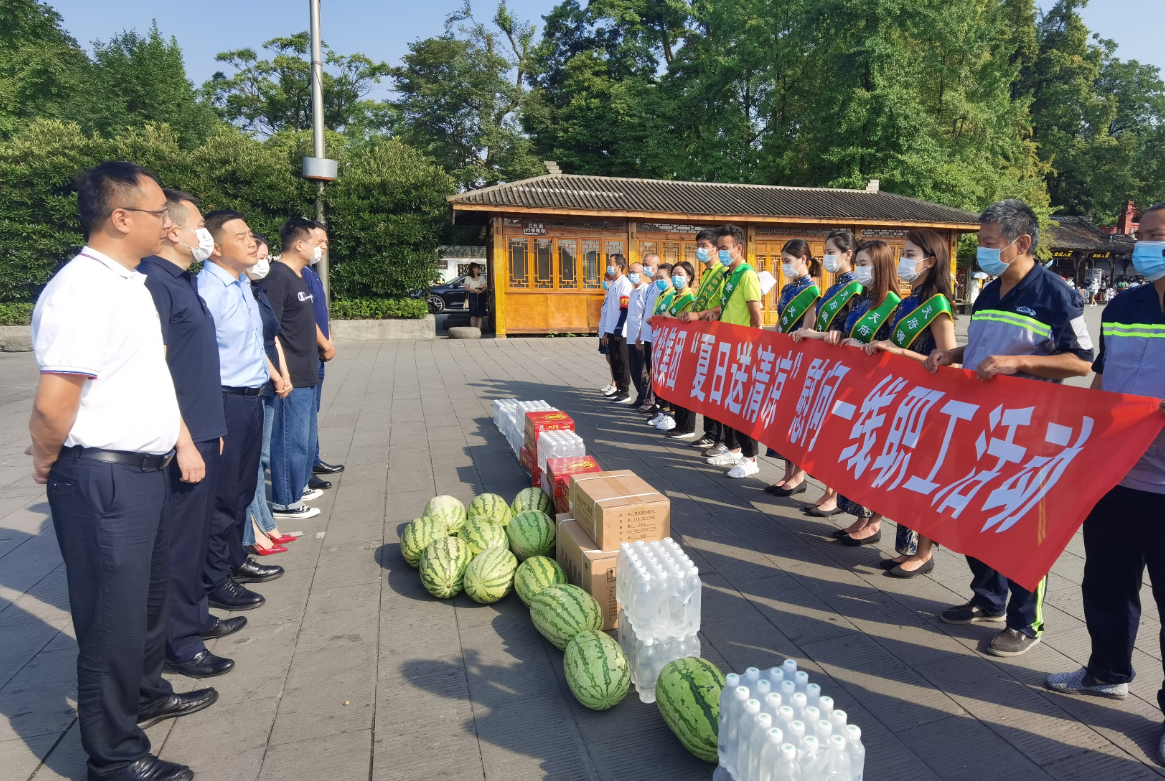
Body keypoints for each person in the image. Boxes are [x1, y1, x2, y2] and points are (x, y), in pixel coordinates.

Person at [29, 161, 213, 781]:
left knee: (146, 603)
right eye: (159, 213)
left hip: (145, 471)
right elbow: (54, 402)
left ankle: (146, 693)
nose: (169, 224)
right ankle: (113, 755)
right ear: (121, 218)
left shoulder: (130, 283)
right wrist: (48, 460)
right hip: (103, 476)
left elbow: (150, 378)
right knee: (111, 619)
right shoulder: (81, 290)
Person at [925, 198, 1093, 657]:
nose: (982, 250)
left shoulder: (1055, 294)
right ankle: (988, 598)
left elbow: (1081, 361)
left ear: (1022, 243)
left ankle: (1025, 621)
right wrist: (953, 355)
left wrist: (1019, 363)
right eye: (980, 242)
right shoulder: (988, 292)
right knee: (971, 513)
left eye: (989, 242)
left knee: (1019, 527)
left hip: (1026, 433)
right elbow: (985, 350)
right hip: (977, 425)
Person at [1044, 204, 1165, 755]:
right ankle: (1106, 671)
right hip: (1118, 477)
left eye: (1158, 236)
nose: (1146, 246)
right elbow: (1101, 383)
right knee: (1106, 585)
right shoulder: (1121, 306)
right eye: (1143, 235)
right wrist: (1084, 450)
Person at [140, 190, 241, 680]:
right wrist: (183, 439)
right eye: (199, 223)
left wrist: (211, 427)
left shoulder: (181, 281)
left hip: (203, 428)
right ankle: (179, 644)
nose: (205, 232)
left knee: (196, 536)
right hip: (180, 436)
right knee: (179, 544)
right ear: (173, 229)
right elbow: (154, 371)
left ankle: (195, 616)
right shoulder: (153, 283)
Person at [197, 211, 285, 614]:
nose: (253, 242)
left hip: (253, 397)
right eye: (242, 236)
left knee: (244, 487)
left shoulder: (242, 286)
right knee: (223, 492)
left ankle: (235, 558)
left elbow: (252, 344)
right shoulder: (208, 291)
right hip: (224, 400)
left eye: (252, 235)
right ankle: (215, 578)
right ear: (216, 247)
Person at [862, 229, 957, 578]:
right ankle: (907, 549)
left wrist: (901, 352)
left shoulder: (938, 306)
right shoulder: (908, 300)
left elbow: (950, 363)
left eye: (910, 254)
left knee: (922, 479)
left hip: (930, 405)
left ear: (929, 262)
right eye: (903, 253)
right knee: (903, 474)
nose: (903, 260)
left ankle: (924, 552)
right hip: (905, 401)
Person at [785, 229, 862, 515]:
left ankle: (834, 494)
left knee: (839, 430)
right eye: (826, 252)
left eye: (831, 252)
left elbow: (852, 329)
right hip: (828, 365)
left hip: (845, 366)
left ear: (848, 254)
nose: (827, 257)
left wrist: (827, 335)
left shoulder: (855, 288)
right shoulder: (832, 288)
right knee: (827, 429)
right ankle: (828, 490)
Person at [243, 234, 301, 553]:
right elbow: (252, 342)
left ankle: (267, 524)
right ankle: (255, 530)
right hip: (258, 381)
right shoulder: (238, 293)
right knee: (253, 461)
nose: (261, 262)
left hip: (272, 379)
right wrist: (276, 375)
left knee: (261, 458)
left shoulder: (258, 291)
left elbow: (272, 336)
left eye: (265, 256)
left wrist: (285, 373)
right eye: (258, 255)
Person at [266, 218, 326, 520]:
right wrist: (281, 374)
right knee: (290, 439)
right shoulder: (277, 278)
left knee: (304, 439)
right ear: (299, 244)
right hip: (291, 374)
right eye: (316, 243)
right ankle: (286, 501)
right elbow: (269, 330)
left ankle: (299, 487)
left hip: (307, 367)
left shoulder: (300, 275)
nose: (320, 249)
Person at [696, 224, 764, 478]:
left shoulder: (747, 275)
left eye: (725, 248)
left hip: (742, 350)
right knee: (728, 403)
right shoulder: (728, 275)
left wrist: (751, 347)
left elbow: (756, 317)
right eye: (719, 248)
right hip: (727, 348)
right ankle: (734, 449)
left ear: (739, 248)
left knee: (742, 406)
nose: (721, 253)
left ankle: (751, 458)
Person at [763, 239, 821, 495]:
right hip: (784, 358)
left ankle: (799, 475)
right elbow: (779, 323)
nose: (784, 266)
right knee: (783, 415)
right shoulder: (788, 288)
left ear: (803, 259)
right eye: (783, 261)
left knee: (797, 416)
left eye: (788, 261)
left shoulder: (812, 292)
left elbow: (808, 328)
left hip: (800, 360)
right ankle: (787, 472)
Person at [681, 229, 730, 455]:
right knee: (706, 387)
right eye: (698, 246)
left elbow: (725, 304)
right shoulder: (708, 272)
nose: (700, 250)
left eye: (704, 245)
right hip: (704, 337)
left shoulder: (723, 272)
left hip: (718, 337)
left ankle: (722, 438)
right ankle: (710, 433)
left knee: (717, 389)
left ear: (716, 249)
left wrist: (701, 315)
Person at [302, 222, 343, 489]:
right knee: (303, 415)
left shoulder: (312, 272)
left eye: (326, 242)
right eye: (320, 241)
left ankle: (312, 459)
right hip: (309, 354)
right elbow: (305, 316)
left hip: (317, 354)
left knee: (312, 411)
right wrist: (325, 344)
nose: (324, 247)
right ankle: (304, 469)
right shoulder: (299, 275)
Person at [658, 262, 700, 439]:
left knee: (685, 388)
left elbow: (690, 323)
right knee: (677, 387)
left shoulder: (691, 299)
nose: (676, 278)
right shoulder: (674, 297)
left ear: (689, 277)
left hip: (686, 348)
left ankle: (687, 426)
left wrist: (670, 318)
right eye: (674, 274)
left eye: (680, 274)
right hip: (674, 347)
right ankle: (679, 423)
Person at [600, 254, 634, 403]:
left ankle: (625, 391)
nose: (609, 266)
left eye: (610, 263)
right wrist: (607, 332)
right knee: (614, 360)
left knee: (622, 360)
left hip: (620, 331)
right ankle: (618, 388)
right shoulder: (613, 284)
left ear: (619, 266)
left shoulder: (624, 284)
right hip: (611, 329)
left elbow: (624, 308)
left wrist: (619, 327)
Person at [632, 254, 663, 413]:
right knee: (645, 369)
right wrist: (640, 334)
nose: (645, 267)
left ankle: (651, 401)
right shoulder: (650, 287)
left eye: (647, 264)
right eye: (643, 264)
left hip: (655, 334)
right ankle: (646, 398)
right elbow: (645, 312)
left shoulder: (660, 287)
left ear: (657, 266)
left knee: (649, 371)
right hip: (646, 333)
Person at [624, 261, 652, 408]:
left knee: (643, 372)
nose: (631, 275)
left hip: (641, 337)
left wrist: (641, 335)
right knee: (634, 369)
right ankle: (640, 397)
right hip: (630, 336)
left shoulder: (646, 290)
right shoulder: (632, 291)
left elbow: (645, 314)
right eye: (630, 272)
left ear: (642, 274)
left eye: (634, 272)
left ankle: (646, 399)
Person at [465, 261, 488, 330]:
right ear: (473, 269)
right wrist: (474, 290)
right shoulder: (468, 278)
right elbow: (467, 288)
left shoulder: (481, 277)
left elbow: (485, 286)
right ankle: (473, 330)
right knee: (473, 315)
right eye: (477, 268)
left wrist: (482, 290)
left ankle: (479, 330)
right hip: (472, 296)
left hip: (480, 295)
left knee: (480, 314)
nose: (479, 270)